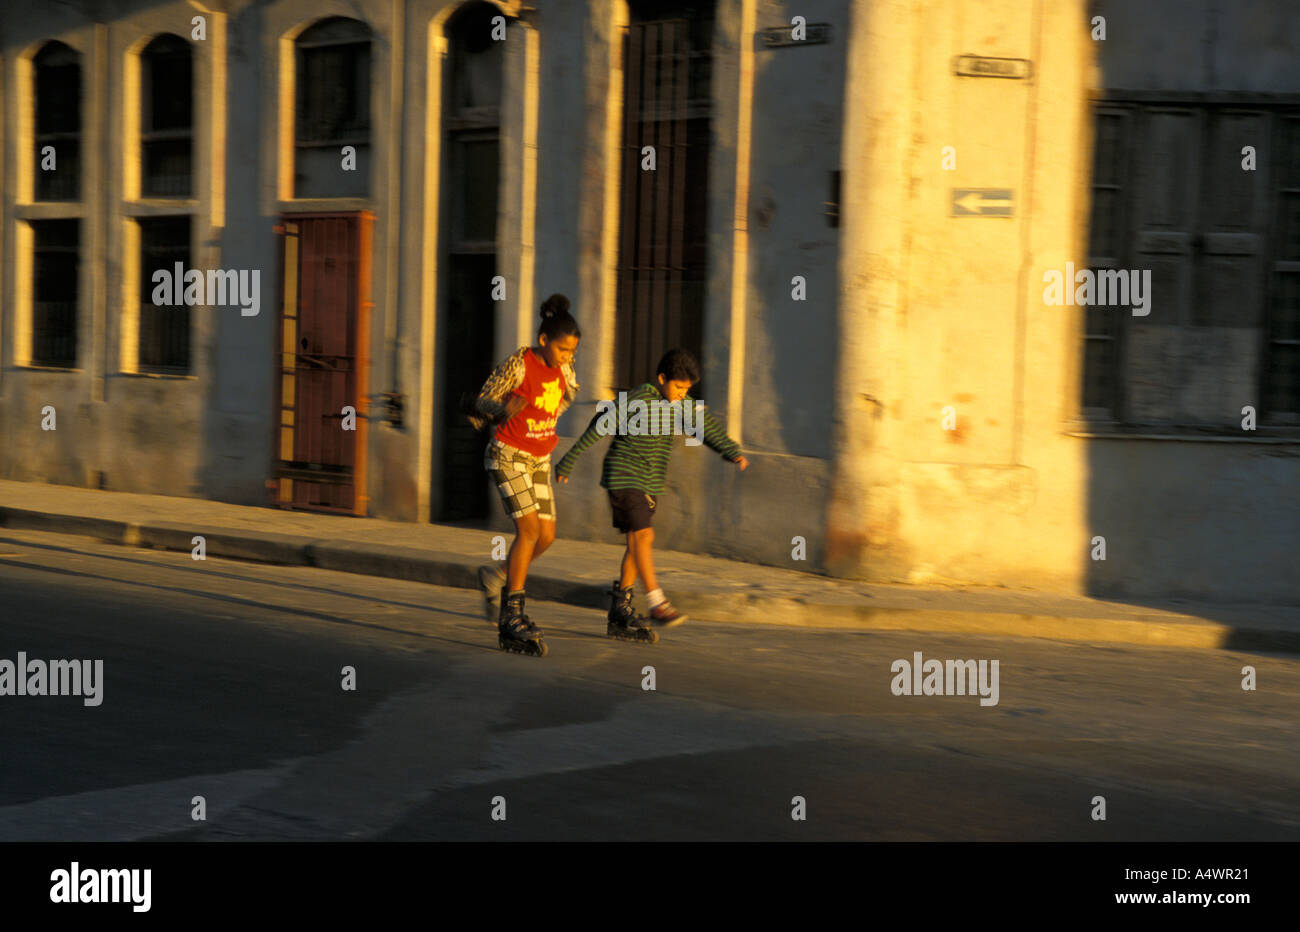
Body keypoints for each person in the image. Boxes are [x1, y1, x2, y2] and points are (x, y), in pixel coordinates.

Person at [555, 348, 748, 637]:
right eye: (679, 387)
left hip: (650, 481)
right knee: (643, 536)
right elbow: (602, 423)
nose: (682, 394)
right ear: (662, 378)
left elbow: (706, 427)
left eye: (687, 389)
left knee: (636, 545)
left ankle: (620, 612)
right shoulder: (640, 396)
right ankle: (657, 602)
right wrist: (570, 458)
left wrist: (731, 451)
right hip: (624, 474)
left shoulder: (682, 405)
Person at [472, 294, 580, 652]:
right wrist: (503, 409)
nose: (568, 357)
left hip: (539, 457)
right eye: (563, 350)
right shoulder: (518, 364)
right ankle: (512, 614)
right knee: (529, 530)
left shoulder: (564, 369)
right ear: (544, 340)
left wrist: (542, 425)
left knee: (546, 536)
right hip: (508, 454)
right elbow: (480, 402)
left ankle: (497, 575)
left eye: (572, 351)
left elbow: (564, 399)